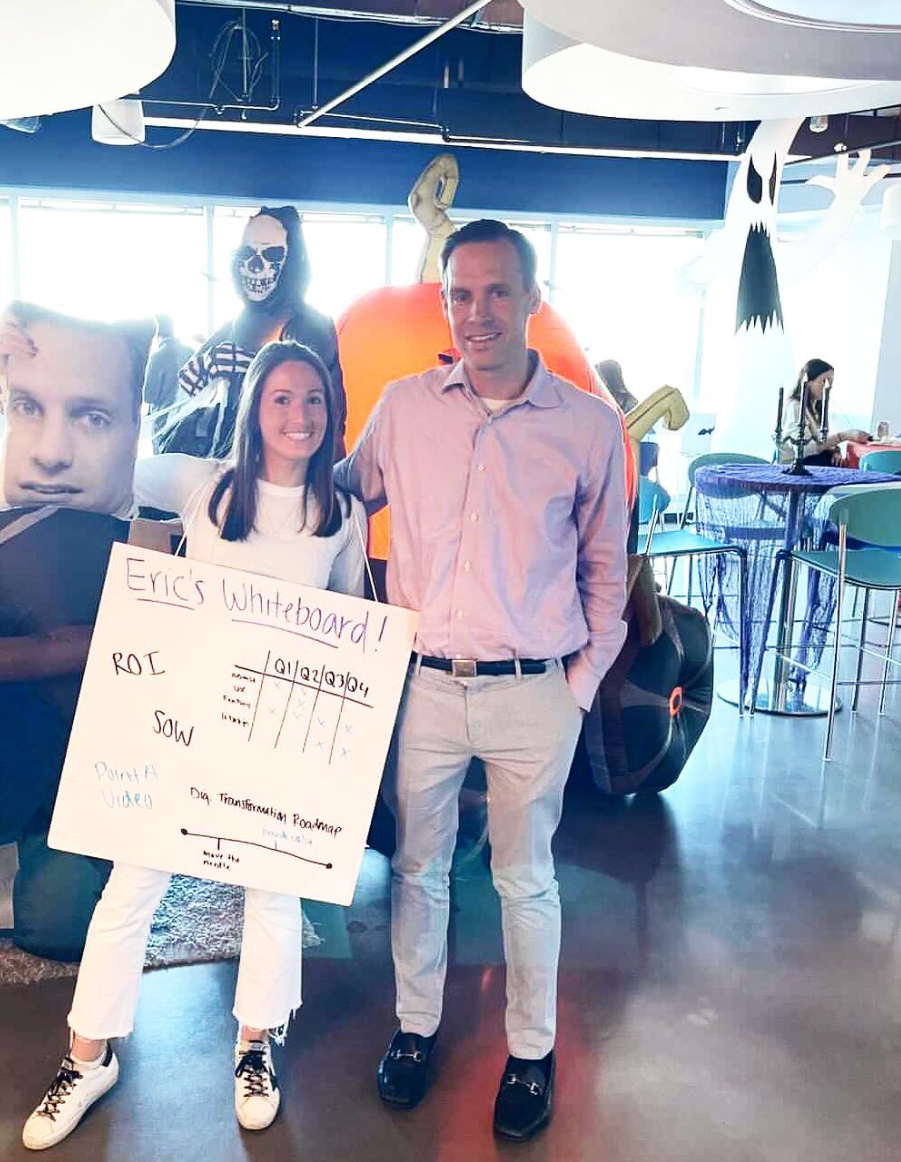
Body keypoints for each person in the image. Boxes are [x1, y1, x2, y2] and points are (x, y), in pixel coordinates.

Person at [19, 340, 368, 1151]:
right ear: (253, 409)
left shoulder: (341, 514)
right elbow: (104, 473)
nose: (299, 416)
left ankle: (256, 1045)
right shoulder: (200, 486)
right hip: (182, 724)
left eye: (313, 400)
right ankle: (89, 1054)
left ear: (331, 411)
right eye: (280, 399)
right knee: (132, 885)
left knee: (272, 897)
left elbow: (351, 628)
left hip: (276, 737)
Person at [336, 219, 628, 1141]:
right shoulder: (404, 407)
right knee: (418, 870)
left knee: (524, 879)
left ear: (533, 299)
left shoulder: (586, 426)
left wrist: (575, 688)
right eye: (461, 294)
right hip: (424, 685)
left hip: (534, 691)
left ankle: (532, 1051)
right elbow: (338, 499)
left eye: (498, 292)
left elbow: (607, 574)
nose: (477, 313)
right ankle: (416, 1031)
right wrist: (230, 491)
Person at [155, 206, 346, 461]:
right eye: (247, 253)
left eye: (272, 254)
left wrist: (249, 367)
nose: (255, 266)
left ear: (291, 261)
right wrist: (209, 366)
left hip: (292, 469)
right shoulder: (237, 323)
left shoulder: (309, 326)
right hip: (236, 464)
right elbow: (187, 383)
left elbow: (307, 405)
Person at [0, 302, 151, 514]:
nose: (50, 455)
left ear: (135, 426)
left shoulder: (168, 534)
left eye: (93, 419)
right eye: (28, 408)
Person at [778, 358, 870, 466]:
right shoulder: (794, 407)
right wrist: (843, 436)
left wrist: (835, 452)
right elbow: (805, 449)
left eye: (831, 382)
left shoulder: (814, 409)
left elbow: (821, 441)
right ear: (808, 382)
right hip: (795, 465)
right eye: (824, 381)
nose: (828, 387)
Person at [141, 314, 193, 440]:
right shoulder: (191, 351)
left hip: (165, 425)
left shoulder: (158, 357)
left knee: (164, 459)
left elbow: (149, 396)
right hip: (190, 420)